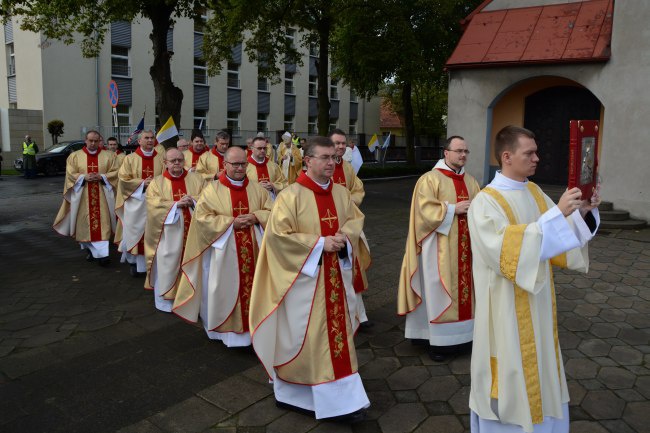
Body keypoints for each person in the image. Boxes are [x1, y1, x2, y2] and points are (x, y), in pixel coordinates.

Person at [467, 125, 600, 433]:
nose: (537, 158)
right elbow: (504, 251)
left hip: (537, 303)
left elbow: (556, 240)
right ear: (507, 156)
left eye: (536, 152)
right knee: (509, 371)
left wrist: (583, 213)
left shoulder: (533, 191)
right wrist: (557, 215)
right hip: (504, 308)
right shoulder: (485, 202)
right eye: (529, 153)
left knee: (541, 365)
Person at [250, 136, 370, 423]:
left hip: (335, 279)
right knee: (306, 340)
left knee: (334, 341)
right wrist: (318, 244)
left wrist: (345, 239)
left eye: (334, 157)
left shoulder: (341, 193)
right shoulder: (290, 196)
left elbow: (354, 221)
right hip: (304, 284)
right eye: (325, 157)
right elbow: (278, 238)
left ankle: (341, 400)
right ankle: (295, 395)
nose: (332, 162)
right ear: (308, 161)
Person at [173, 147, 271, 346]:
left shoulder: (257, 189)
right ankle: (227, 335)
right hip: (224, 251)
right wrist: (230, 223)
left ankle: (253, 331)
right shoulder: (211, 190)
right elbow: (202, 219)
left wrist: (256, 216)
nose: (240, 168)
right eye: (235, 164)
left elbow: (272, 212)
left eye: (243, 163)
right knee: (223, 289)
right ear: (224, 165)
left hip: (253, 249)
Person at [397, 135, 481, 362]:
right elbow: (423, 212)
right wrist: (453, 209)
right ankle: (436, 341)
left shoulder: (471, 181)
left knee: (466, 293)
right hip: (437, 249)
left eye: (466, 151)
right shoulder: (430, 180)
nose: (463, 155)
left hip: (466, 249)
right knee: (436, 290)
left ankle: (464, 336)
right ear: (446, 152)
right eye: (458, 151)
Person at [144, 148, 205, 312]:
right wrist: (175, 204)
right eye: (173, 161)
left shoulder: (196, 179)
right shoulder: (157, 183)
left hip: (193, 230)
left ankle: (191, 299)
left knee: (193, 263)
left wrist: (193, 199)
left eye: (180, 160)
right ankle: (167, 300)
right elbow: (152, 204)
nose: (177, 163)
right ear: (165, 163)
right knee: (167, 262)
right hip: (168, 234)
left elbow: (207, 198)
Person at [53, 130, 118, 266]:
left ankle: (103, 256)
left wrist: (102, 177)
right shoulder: (75, 156)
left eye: (96, 141)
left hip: (103, 196)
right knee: (84, 225)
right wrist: (83, 177)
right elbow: (70, 173)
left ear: (100, 141)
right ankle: (90, 249)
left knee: (103, 224)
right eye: (90, 140)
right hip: (82, 196)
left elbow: (116, 172)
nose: (93, 143)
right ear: (85, 140)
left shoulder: (109, 156)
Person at [330, 129, 372, 328]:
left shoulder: (347, 167)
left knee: (353, 269)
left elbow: (358, 189)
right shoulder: (321, 166)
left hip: (348, 224)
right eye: (336, 143)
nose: (340, 147)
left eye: (342, 143)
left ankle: (359, 315)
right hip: (329, 224)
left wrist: (348, 202)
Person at [115, 130, 165, 277]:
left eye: (152, 138)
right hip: (136, 202)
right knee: (134, 232)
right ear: (139, 141)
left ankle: (153, 262)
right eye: (146, 138)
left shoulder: (161, 159)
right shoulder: (130, 159)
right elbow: (123, 180)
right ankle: (133, 262)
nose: (150, 140)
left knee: (154, 231)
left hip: (156, 202)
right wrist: (143, 183)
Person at [246, 136, 287, 200]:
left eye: (264, 148)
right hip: (253, 202)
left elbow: (284, 183)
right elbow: (239, 186)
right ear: (252, 149)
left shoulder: (274, 166)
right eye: (259, 148)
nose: (262, 150)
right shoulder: (245, 166)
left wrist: (273, 186)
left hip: (272, 202)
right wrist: (256, 187)